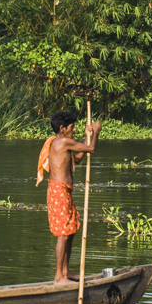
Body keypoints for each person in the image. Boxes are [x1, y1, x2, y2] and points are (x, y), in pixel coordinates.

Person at [36, 110, 101, 283]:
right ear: (62, 128)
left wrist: (87, 137)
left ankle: (65, 272)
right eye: (72, 127)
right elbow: (92, 149)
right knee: (63, 234)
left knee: (70, 231)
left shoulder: (62, 142)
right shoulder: (63, 141)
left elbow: (78, 158)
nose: (74, 130)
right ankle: (59, 277)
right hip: (58, 191)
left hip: (64, 190)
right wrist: (96, 133)